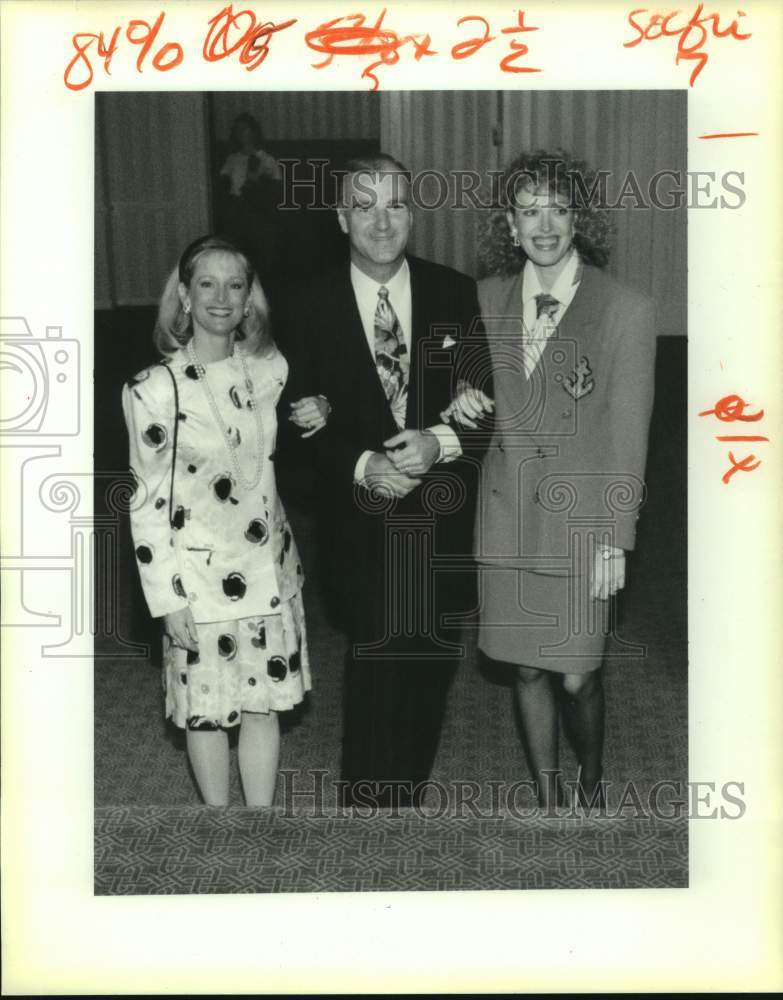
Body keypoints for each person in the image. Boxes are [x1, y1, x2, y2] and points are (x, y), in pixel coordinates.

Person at [281, 154, 491, 808]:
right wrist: (359, 462)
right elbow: (287, 422)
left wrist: (438, 442)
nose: (380, 220)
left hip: (439, 511)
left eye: (394, 204)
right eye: (364, 205)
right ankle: (366, 804)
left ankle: (407, 788)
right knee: (374, 658)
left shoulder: (456, 292)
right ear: (341, 217)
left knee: (429, 661)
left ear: (412, 214)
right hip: (358, 520)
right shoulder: (304, 303)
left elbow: (488, 404)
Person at [457, 149, 656, 809]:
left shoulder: (624, 310)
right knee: (524, 666)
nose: (544, 225)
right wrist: (461, 395)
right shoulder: (483, 301)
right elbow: (463, 390)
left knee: (577, 676)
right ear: (508, 226)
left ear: (579, 220)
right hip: (508, 516)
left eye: (559, 209)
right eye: (528, 210)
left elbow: (630, 438)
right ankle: (546, 793)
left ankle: (591, 783)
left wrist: (615, 539)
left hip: (584, 526)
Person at [121, 234, 322, 807]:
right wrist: (168, 598)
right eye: (206, 284)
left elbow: (317, 403)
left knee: (262, 707)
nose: (221, 297)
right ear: (184, 295)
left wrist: (325, 406)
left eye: (235, 285)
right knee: (206, 714)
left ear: (249, 297)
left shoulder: (272, 370)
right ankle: (217, 826)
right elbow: (145, 500)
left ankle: (259, 825)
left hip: (268, 570)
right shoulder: (152, 389)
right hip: (198, 581)